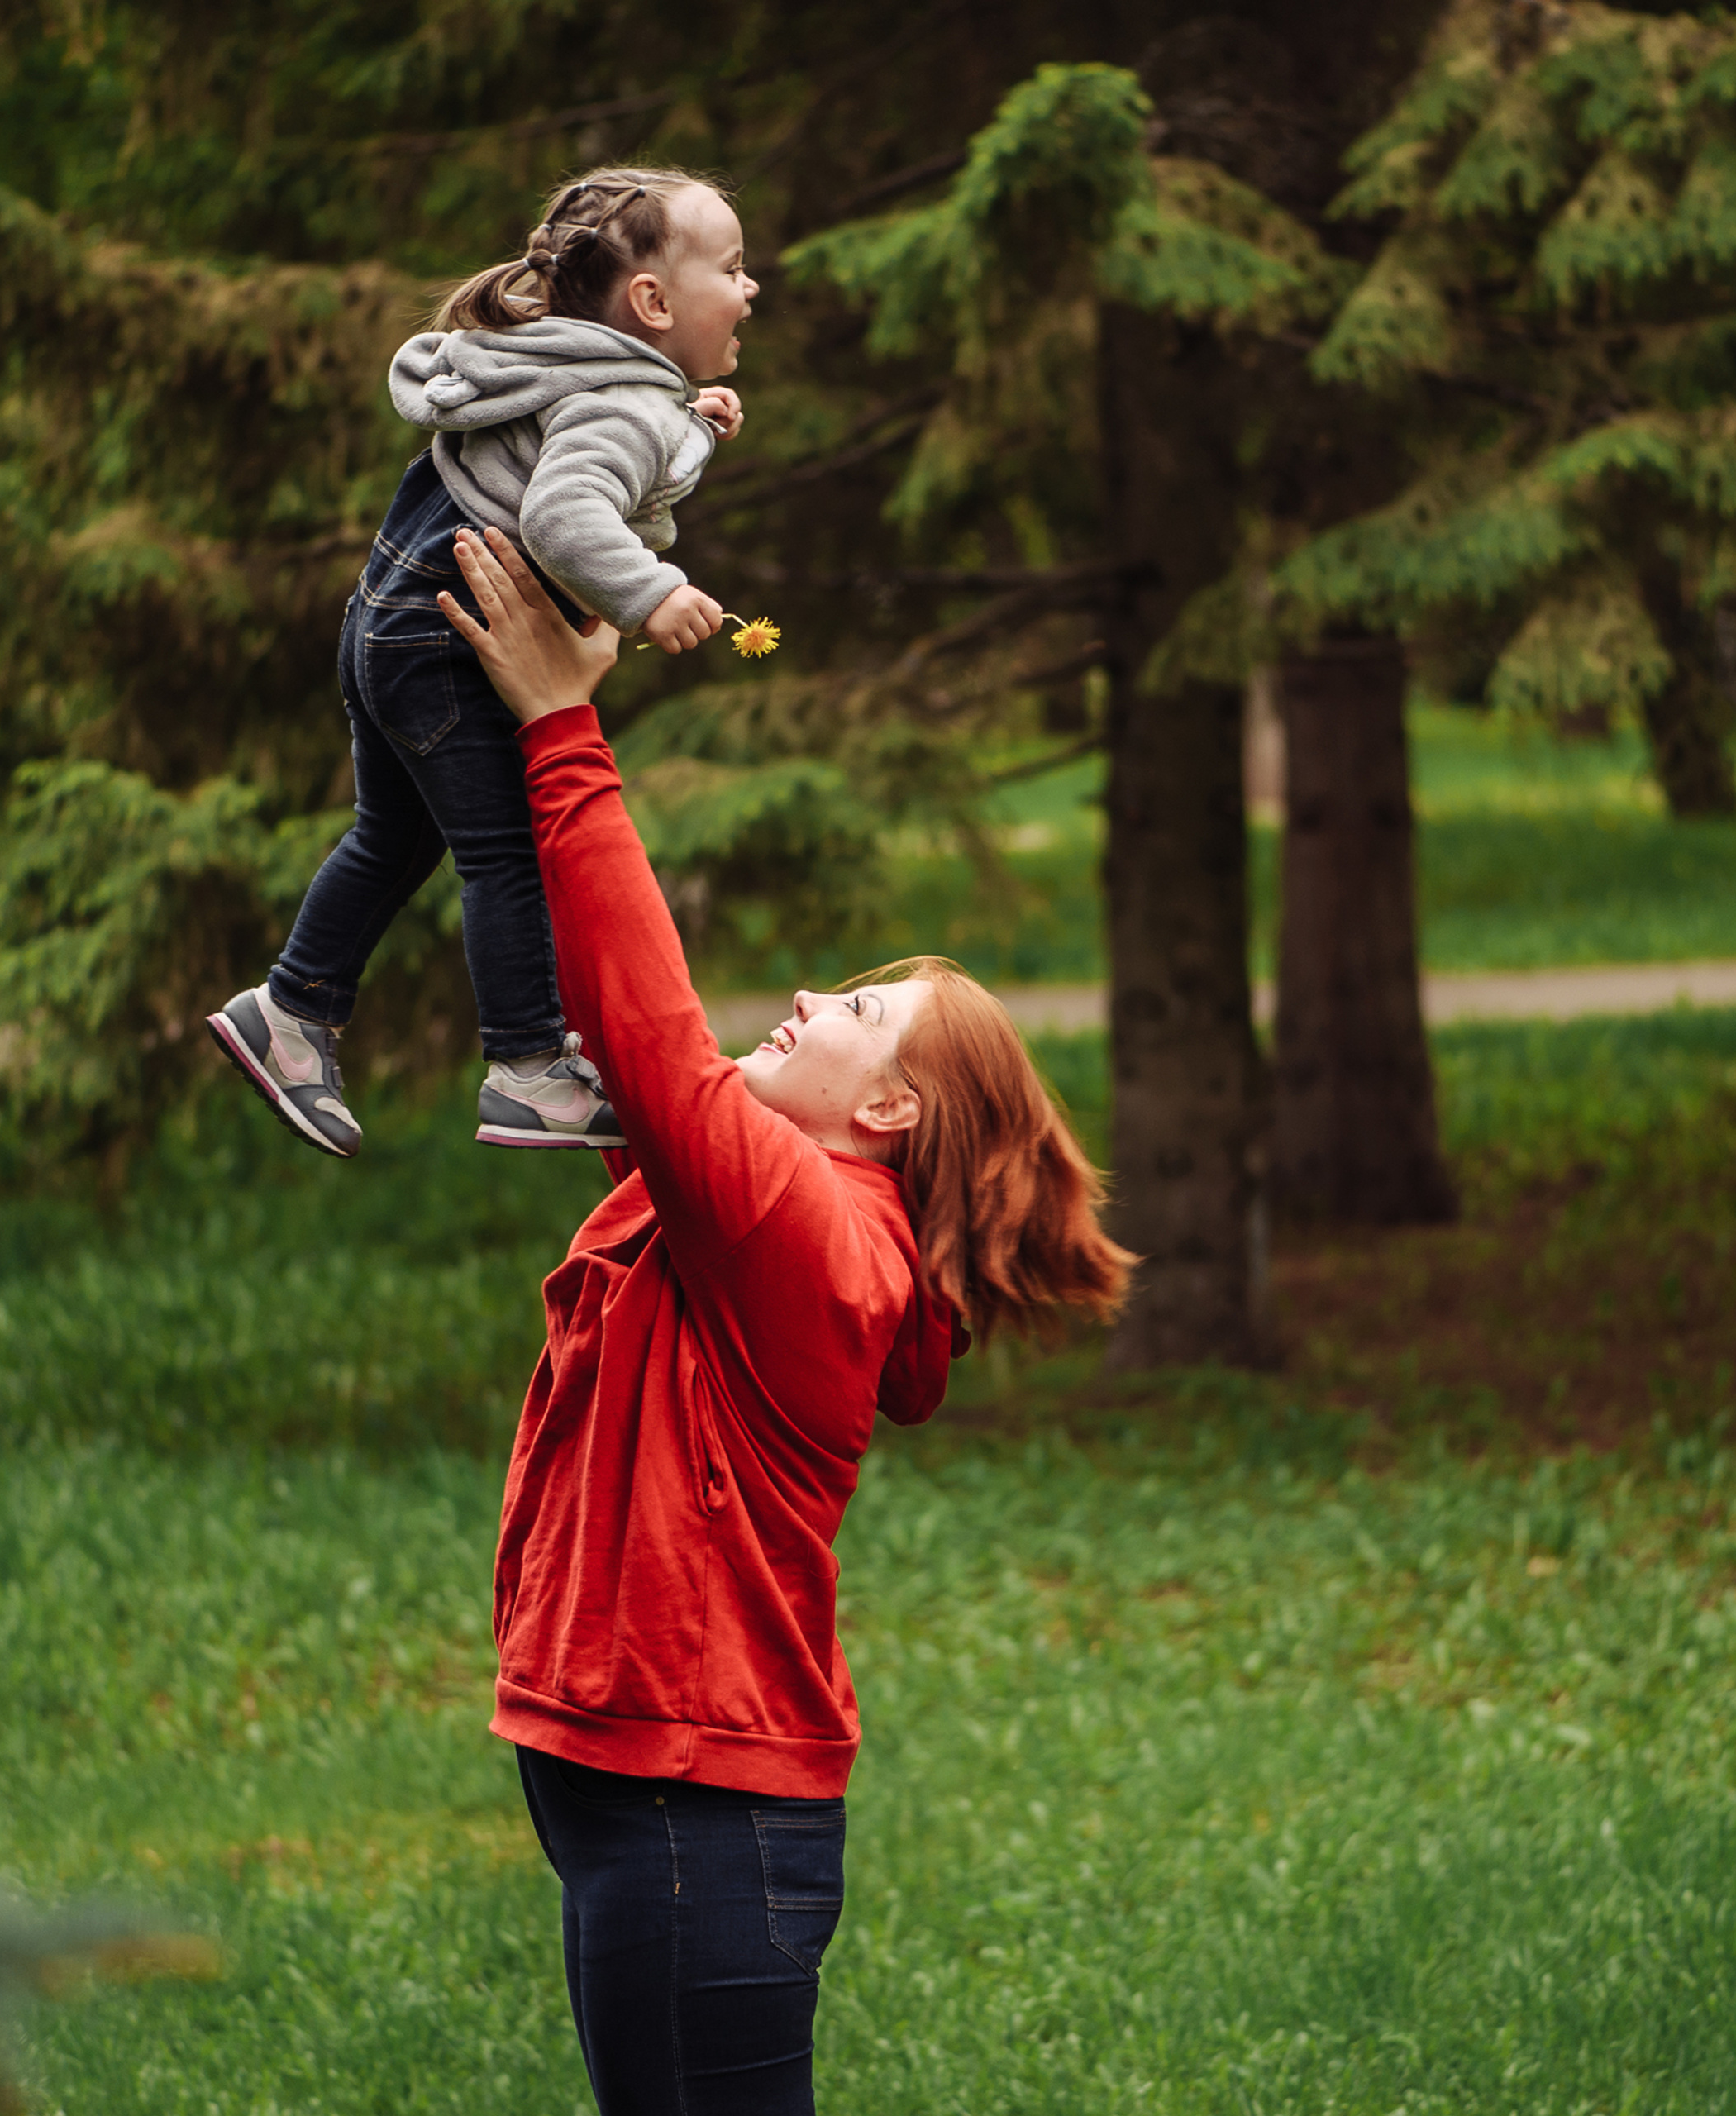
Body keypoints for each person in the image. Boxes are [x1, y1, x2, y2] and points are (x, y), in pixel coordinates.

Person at [434, 522, 1135, 2116]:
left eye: (859, 1008)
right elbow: (598, 1011)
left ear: (890, 1109)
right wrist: (519, 711)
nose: (812, 998)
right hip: (648, 1795)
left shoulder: (812, 1239)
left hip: (702, 1811)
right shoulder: (748, 1211)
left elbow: (654, 1037)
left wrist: (568, 731)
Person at [207, 166, 756, 1160]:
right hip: (449, 648)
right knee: (509, 854)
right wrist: (653, 592)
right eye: (732, 267)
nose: (749, 288)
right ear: (653, 303)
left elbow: (601, 442)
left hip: (388, 622)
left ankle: (290, 1009)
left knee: (391, 837)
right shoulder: (624, 408)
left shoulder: (540, 362)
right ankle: (528, 1067)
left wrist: (691, 420)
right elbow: (565, 511)